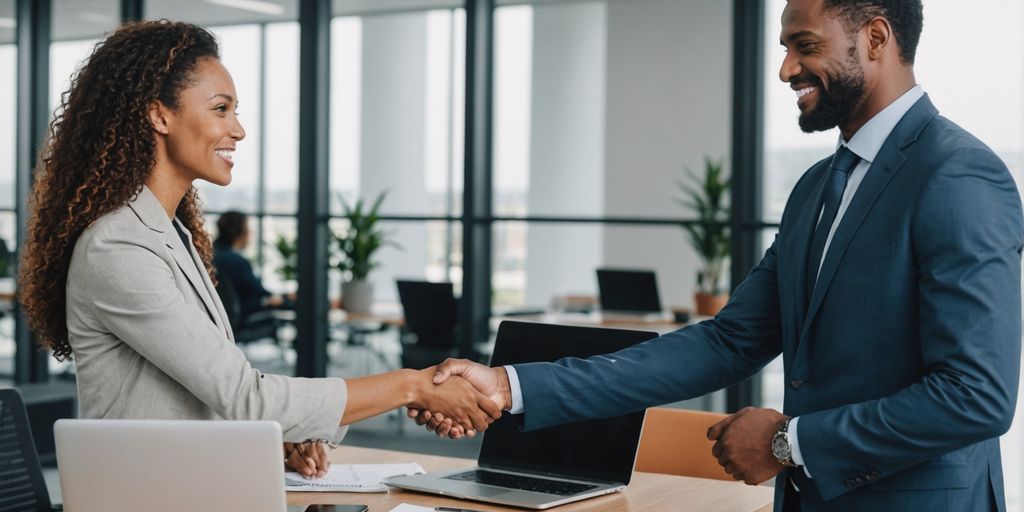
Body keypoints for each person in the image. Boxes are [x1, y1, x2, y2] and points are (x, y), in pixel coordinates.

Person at [415, 1, 1023, 510]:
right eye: (784, 47)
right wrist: (508, 385)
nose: (786, 69)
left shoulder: (957, 175)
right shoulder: (817, 187)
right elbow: (728, 342)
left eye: (804, 46)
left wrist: (790, 442)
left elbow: (975, 395)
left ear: (875, 37)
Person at [17, 20, 500, 480]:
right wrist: (412, 385)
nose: (239, 130)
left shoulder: (168, 236)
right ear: (159, 114)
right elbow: (245, 396)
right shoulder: (118, 245)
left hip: (195, 485)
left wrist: (278, 437)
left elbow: (202, 396)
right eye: (221, 109)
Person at [213, 210, 289, 323]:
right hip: (240, 318)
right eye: (248, 229)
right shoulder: (237, 262)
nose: (250, 233)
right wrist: (285, 297)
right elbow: (259, 292)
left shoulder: (208, 255)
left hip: (216, 317)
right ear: (240, 233)